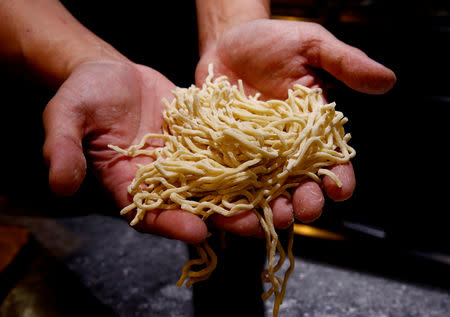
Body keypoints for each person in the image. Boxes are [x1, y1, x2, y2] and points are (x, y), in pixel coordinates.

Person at [0, 0, 395, 244]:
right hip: (99, 91)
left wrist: (232, 25)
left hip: (212, 65)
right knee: (79, 242)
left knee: (236, 241)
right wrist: (79, 58)